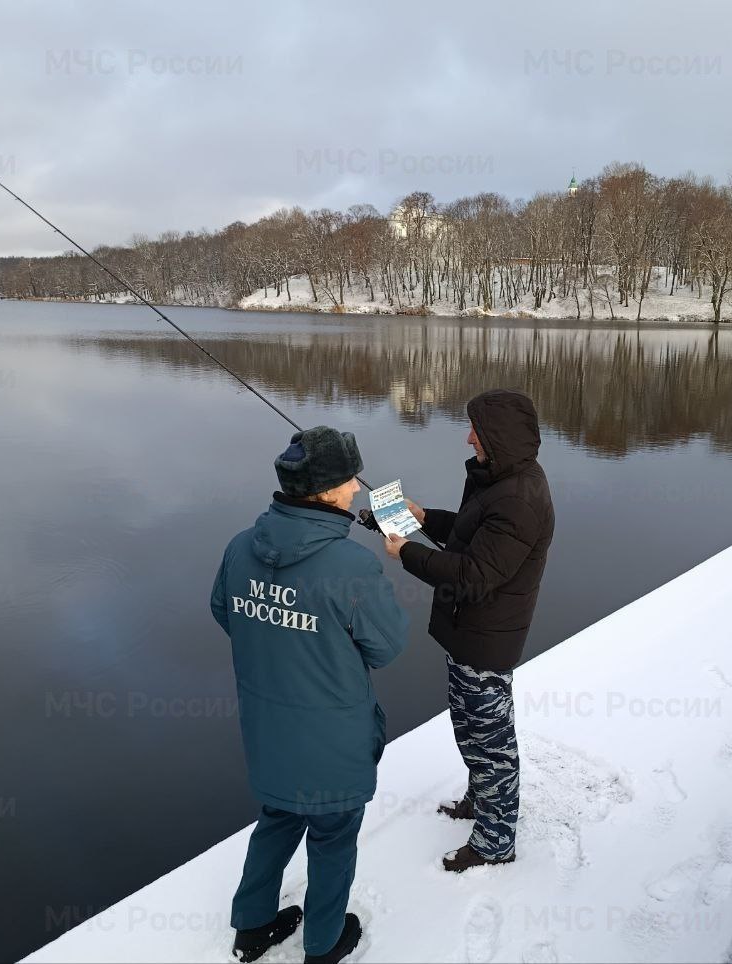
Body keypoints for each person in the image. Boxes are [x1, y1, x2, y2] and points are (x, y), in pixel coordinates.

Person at [210, 426, 409, 964]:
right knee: (332, 834)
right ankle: (323, 943)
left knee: (276, 817)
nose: (356, 489)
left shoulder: (238, 546)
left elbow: (224, 612)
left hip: (268, 729)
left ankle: (251, 927)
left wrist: (283, 644)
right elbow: (387, 646)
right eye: (350, 479)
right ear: (326, 491)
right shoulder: (351, 566)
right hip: (333, 738)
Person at [381, 389, 554, 873]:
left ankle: (496, 843)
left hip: (487, 639)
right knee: (471, 730)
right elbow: (475, 536)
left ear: (496, 435)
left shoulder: (519, 497)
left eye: (475, 429)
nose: (467, 437)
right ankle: (481, 802)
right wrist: (423, 519)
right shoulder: (500, 481)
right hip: (472, 633)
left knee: (491, 740)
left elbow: (476, 574)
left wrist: (407, 554)